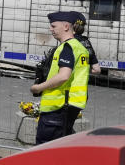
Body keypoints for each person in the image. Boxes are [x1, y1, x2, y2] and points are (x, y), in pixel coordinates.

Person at [30, 11, 91, 144]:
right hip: (69, 106)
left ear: (65, 27)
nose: (50, 29)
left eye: (53, 26)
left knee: (45, 152)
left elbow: (63, 76)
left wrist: (38, 88)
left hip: (57, 107)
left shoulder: (67, 47)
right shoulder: (80, 48)